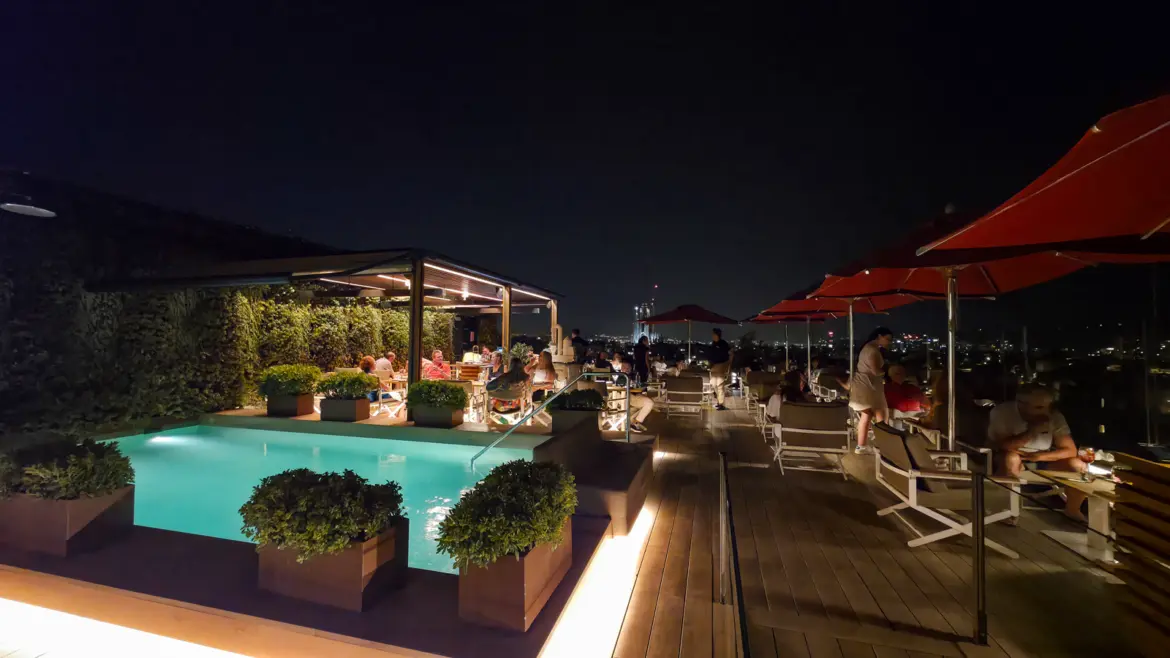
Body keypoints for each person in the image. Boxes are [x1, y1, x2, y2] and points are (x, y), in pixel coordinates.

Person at [988, 384, 1087, 520]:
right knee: (1011, 459)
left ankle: (1073, 509)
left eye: (1047, 406)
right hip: (1010, 456)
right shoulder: (1002, 413)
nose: (1045, 411)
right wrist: (1031, 432)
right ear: (1022, 405)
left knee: (1077, 465)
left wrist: (1040, 456)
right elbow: (1003, 445)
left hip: (1042, 459)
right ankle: (1009, 508)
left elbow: (1070, 450)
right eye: (1039, 407)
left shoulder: (1054, 416)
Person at [842, 327, 893, 454]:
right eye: (887, 339)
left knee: (866, 415)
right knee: (882, 416)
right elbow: (875, 371)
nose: (889, 342)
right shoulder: (872, 350)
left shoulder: (868, 348)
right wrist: (887, 373)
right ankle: (884, 446)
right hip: (870, 387)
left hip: (864, 386)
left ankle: (861, 446)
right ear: (879, 336)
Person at [709, 328, 732, 410]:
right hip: (714, 367)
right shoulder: (713, 344)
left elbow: (730, 353)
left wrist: (728, 365)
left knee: (720, 385)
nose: (712, 335)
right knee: (713, 384)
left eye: (713, 334)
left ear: (717, 335)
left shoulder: (723, 344)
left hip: (721, 366)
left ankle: (721, 403)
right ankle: (719, 402)